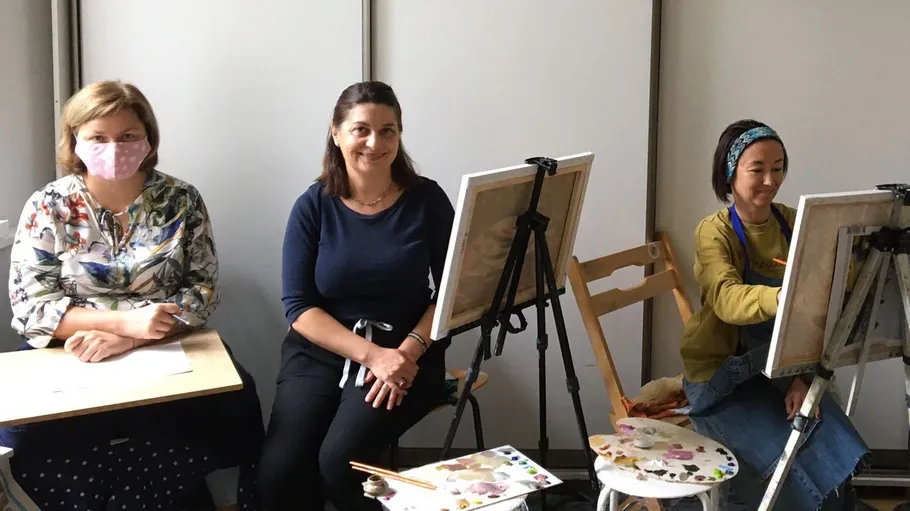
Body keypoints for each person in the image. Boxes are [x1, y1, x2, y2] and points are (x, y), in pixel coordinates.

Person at [2, 80, 264, 511]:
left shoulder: (180, 199)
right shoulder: (48, 206)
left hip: (165, 343)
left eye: (127, 136)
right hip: (69, 350)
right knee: (26, 433)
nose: (113, 147)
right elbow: (31, 308)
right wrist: (122, 323)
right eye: (97, 138)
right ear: (74, 142)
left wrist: (136, 337)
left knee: (235, 397)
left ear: (148, 140)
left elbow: (202, 290)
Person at [257, 81, 455, 511]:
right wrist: (371, 356)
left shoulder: (428, 201)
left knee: (340, 461)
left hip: (407, 352)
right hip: (322, 351)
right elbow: (298, 308)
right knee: (279, 473)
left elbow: (451, 293)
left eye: (388, 130)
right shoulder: (312, 206)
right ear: (336, 132)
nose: (374, 142)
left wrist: (404, 354)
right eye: (360, 129)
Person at [679, 119, 870, 510]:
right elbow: (727, 299)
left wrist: (802, 377)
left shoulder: (795, 221)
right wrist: (785, 296)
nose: (770, 179)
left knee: (829, 436)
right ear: (730, 173)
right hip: (719, 382)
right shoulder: (714, 232)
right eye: (758, 169)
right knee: (785, 463)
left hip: (778, 369)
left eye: (779, 167)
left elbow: (821, 303)